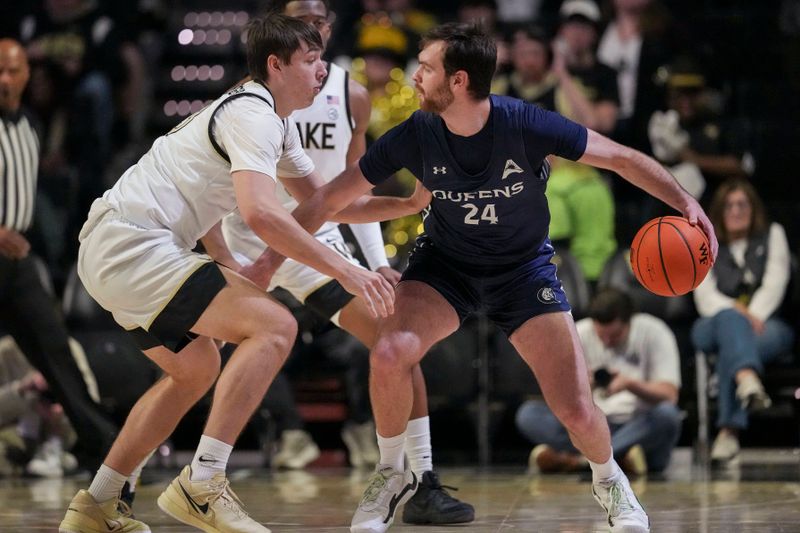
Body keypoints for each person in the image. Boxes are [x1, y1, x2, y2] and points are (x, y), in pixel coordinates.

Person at [244, 22, 718, 533]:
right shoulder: (416, 133)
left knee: (577, 411)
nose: (416, 76)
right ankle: (390, 473)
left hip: (523, 271)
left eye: (426, 68)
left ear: (460, 80)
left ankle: (610, 481)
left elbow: (621, 159)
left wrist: (687, 202)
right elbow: (329, 199)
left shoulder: (526, 124)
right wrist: (269, 263)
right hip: (445, 268)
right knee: (389, 351)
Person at [58, 14, 395, 533]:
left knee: (195, 368)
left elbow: (327, 202)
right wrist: (347, 270)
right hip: (131, 244)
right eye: (310, 61)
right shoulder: (253, 114)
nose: (322, 70)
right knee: (275, 326)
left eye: (322, 59)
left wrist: (414, 200)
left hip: (119, 248)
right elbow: (261, 215)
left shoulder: (274, 123)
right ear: (275, 65)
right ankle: (203, 481)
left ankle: (98, 503)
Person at [203, 0, 475, 525]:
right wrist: (223, 254)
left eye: (318, 17)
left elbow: (351, 185)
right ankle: (147, 477)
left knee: (394, 340)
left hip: (314, 242)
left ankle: (419, 480)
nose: (312, 24)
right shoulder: (249, 96)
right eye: (299, 15)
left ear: (328, 27)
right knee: (191, 354)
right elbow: (214, 185)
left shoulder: (350, 94)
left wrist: (374, 261)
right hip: (250, 238)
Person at [0, 37, 119, 474]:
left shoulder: (31, 123)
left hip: (19, 259)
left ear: (27, 75)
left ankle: (103, 448)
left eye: (13, 71)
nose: (5, 80)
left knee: (56, 352)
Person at [516, 288, 683, 476]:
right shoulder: (578, 331)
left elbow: (670, 394)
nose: (607, 342)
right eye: (601, 336)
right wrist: (579, 386)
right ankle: (618, 459)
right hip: (592, 425)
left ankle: (580, 461)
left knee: (667, 415)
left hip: (637, 424)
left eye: (615, 336)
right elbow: (558, 398)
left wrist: (630, 384)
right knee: (528, 414)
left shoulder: (655, 332)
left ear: (630, 322)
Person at [691, 179, 794, 465]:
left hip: (767, 326)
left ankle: (728, 432)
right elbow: (705, 296)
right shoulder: (704, 242)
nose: (736, 211)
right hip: (711, 324)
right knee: (729, 323)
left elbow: (776, 281)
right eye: (729, 206)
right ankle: (746, 380)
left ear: (753, 208)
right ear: (720, 212)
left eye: (742, 204)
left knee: (732, 348)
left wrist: (753, 316)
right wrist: (738, 313)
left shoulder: (773, 234)